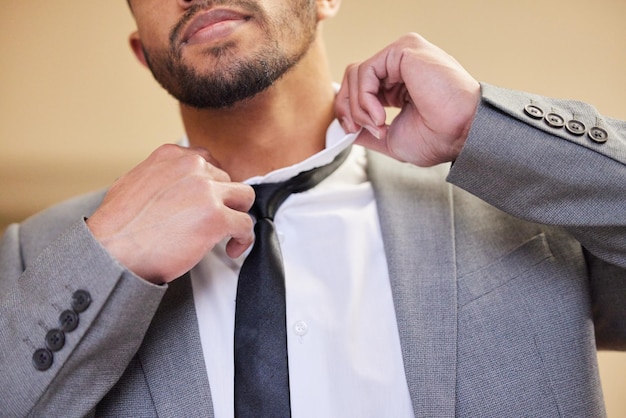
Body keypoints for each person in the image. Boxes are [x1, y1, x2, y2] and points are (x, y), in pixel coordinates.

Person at [1, 0, 624, 416]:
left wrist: (484, 125)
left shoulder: (526, 200)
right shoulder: (39, 253)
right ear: (145, 53)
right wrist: (108, 259)